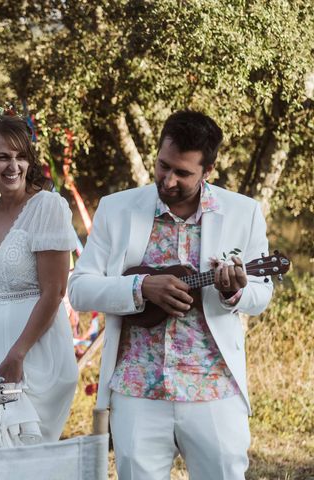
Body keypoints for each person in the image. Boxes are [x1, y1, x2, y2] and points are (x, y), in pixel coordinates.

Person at [68, 110, 274, 479]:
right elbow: (79, 289)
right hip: (137, 387)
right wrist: (140, 286)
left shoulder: (244, 213)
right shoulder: (116, 209)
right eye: (163, 166)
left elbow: (260, 294)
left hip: (213, 386)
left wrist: (233, 293)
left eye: (183, 173)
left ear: (208, 170)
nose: (168, 179)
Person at [0, 105, 79, 447]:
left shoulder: (48, 207)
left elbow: (55, 292)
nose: (13, 166)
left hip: (35, 353)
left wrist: (17, 355)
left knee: (23, 451)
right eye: (3, 156)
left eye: (21, 156)